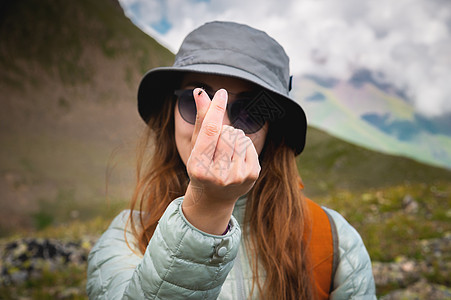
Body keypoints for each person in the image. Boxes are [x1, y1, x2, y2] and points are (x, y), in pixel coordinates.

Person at [86, 21, 376, 299]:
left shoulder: (335, 242)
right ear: (170, 113)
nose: (219, 126)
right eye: (196, 100)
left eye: (248, 111)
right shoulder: (127, 238)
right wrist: (205, 209)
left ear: (271, 132)